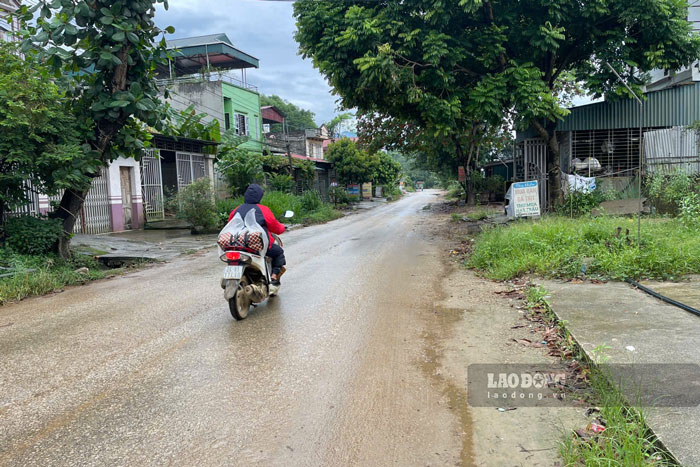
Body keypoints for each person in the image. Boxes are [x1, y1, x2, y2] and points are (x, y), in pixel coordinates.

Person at [228, 184, 286, 284]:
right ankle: (274, 276)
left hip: (238, 246)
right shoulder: (263, 210)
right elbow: (275, 227)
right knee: (278, 252)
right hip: (258, 247)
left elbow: (230, 225)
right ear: (259, 197)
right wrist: (282, 227)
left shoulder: (236, 210)